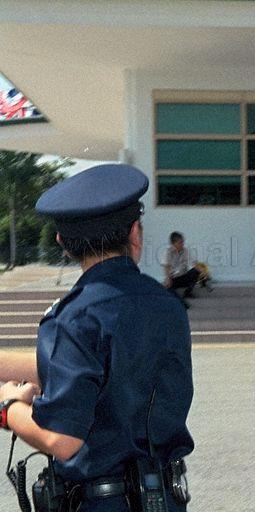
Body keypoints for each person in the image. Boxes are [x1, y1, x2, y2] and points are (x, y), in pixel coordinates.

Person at [0, 163, 194, 511]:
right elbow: (106, 365)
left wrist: (8, 407)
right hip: (163, 497)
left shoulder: (74, 317)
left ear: (63, 244)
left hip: (100, 501)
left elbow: (61, 440)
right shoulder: (167, 305)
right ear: (135, 233)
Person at [163, 231, 211, 305]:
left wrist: (204, 272)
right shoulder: (168, 252)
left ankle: (188, 293)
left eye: (183, 242)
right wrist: (168, 278)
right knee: (169, 293)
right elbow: (167, 266)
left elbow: (195, 264)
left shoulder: (186, 251)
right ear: (173, 244)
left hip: (183, 276)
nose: (182, 244)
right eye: (180, 243)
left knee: (195, 271)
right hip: (173, 278)